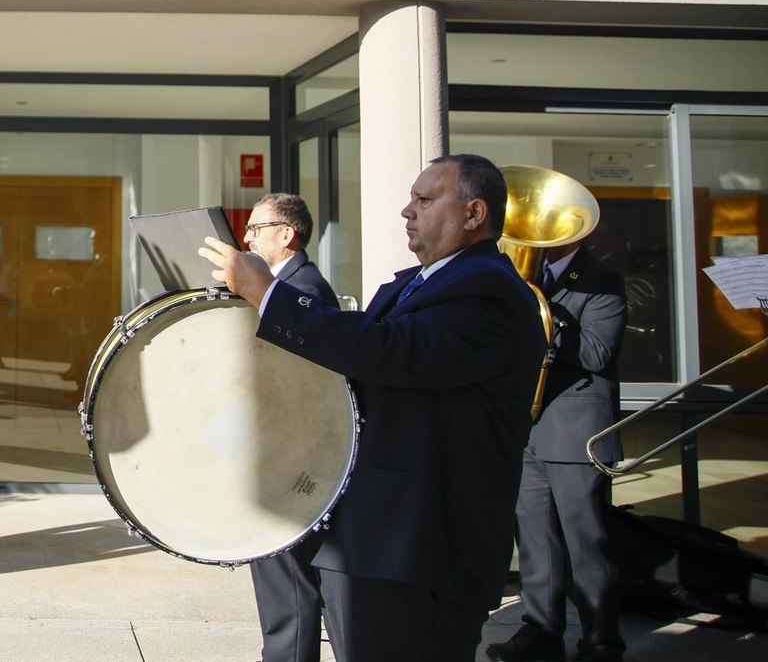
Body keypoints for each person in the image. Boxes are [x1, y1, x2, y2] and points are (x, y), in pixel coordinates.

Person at [201, 155, 545, 662]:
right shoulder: (424, 279)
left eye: (425, 200)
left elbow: (390, 351)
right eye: (411, 198)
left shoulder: (489, 289)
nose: (407, 211)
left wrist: (268, 294)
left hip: (421, 546)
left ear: (474, 215)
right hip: (378, 541)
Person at [487, 244, 628, 662]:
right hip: (530, 427)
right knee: (535, 541)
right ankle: (541, 634)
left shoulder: (603, 279)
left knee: (588, 544)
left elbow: (598, 352)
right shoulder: (524, 276)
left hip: (576, 431)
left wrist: (545, 321)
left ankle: (602, 642)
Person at [240, 193, 339, 662]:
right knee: (278, 573)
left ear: (287, 234)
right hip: (281, 446)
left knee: (288, 577)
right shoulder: (285, 284)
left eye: (256, 229)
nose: (247, 238)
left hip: (296, 455)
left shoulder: (305, 288)